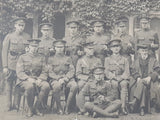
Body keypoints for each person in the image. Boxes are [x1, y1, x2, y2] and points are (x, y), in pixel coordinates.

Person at [2, 17, 31, 111]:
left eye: (22, 25)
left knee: (19, 85)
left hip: (22, 66)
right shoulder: (9, 36)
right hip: (11, 64)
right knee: (9, 85)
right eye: (19, 25)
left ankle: (16, 105)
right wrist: (5, 66)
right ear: (15, 26)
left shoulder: (27, 37)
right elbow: (4, 52)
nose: (21, 27)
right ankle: (8, 105)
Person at [16, 39, 50, 117]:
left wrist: (40, 79)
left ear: (38, 47)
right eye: (32, 46)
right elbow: (19, 72)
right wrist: (28, 79)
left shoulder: (41, 57)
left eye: (36, 46)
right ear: (29, 47)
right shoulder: (22, 57)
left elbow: (45, 71)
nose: (34, 48)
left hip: (38, 79)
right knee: (30, 86)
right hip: (24, 80)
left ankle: (36, 107)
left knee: (46, 86)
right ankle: (30, 108)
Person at [47, 40, 78, 114]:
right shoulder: (50, 59)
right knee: (56, 86)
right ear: (54, 48)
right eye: (58, 47)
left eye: (61, 47)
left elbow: (72, 70)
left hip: (67, 79)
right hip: (55, 79)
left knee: (74, 86)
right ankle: (59, 107)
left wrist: (66, 78)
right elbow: (50, 72)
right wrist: (58, 78)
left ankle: (67, 107)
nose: (60, 49)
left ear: (64, 48)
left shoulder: (68, 58)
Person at [129, 43, 160, 116]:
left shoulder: (153, 60)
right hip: (140, 80)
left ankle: (135, 100)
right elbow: (133, 70)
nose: (144, 53)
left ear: (148, 51)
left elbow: (157, 70)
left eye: (146, 51)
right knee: (142, 85)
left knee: (145, 84)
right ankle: (142, 108)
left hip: (150, 80)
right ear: (139, 51)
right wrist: (138, 77)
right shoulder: (136, 61)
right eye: (142, 51)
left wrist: (150, 77)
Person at [104, 38, 130, 115]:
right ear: (111, 48)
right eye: (114, 47)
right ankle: (115, 107)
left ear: (120, 48)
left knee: (124, 84)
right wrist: (114, 77)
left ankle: (123, 107)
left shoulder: (125, 59)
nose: (116, 48)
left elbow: (127, 72)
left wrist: (121, 78)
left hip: (122, 78)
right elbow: (106, 71)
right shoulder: (107, 59)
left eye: (118, 46)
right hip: (113, 78)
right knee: (114, 84)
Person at [76, 41, 102, 114]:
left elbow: (101, 72)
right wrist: (87, 78)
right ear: (85, 50)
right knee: (80, 84)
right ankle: (82, 108)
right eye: (89, 49)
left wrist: (96, 78)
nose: (91, 50)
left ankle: (96, 107)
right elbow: (78, 74)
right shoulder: (80, 60)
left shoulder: (98, 60)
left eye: (92, 49)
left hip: (96, 79)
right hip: (85, 79)